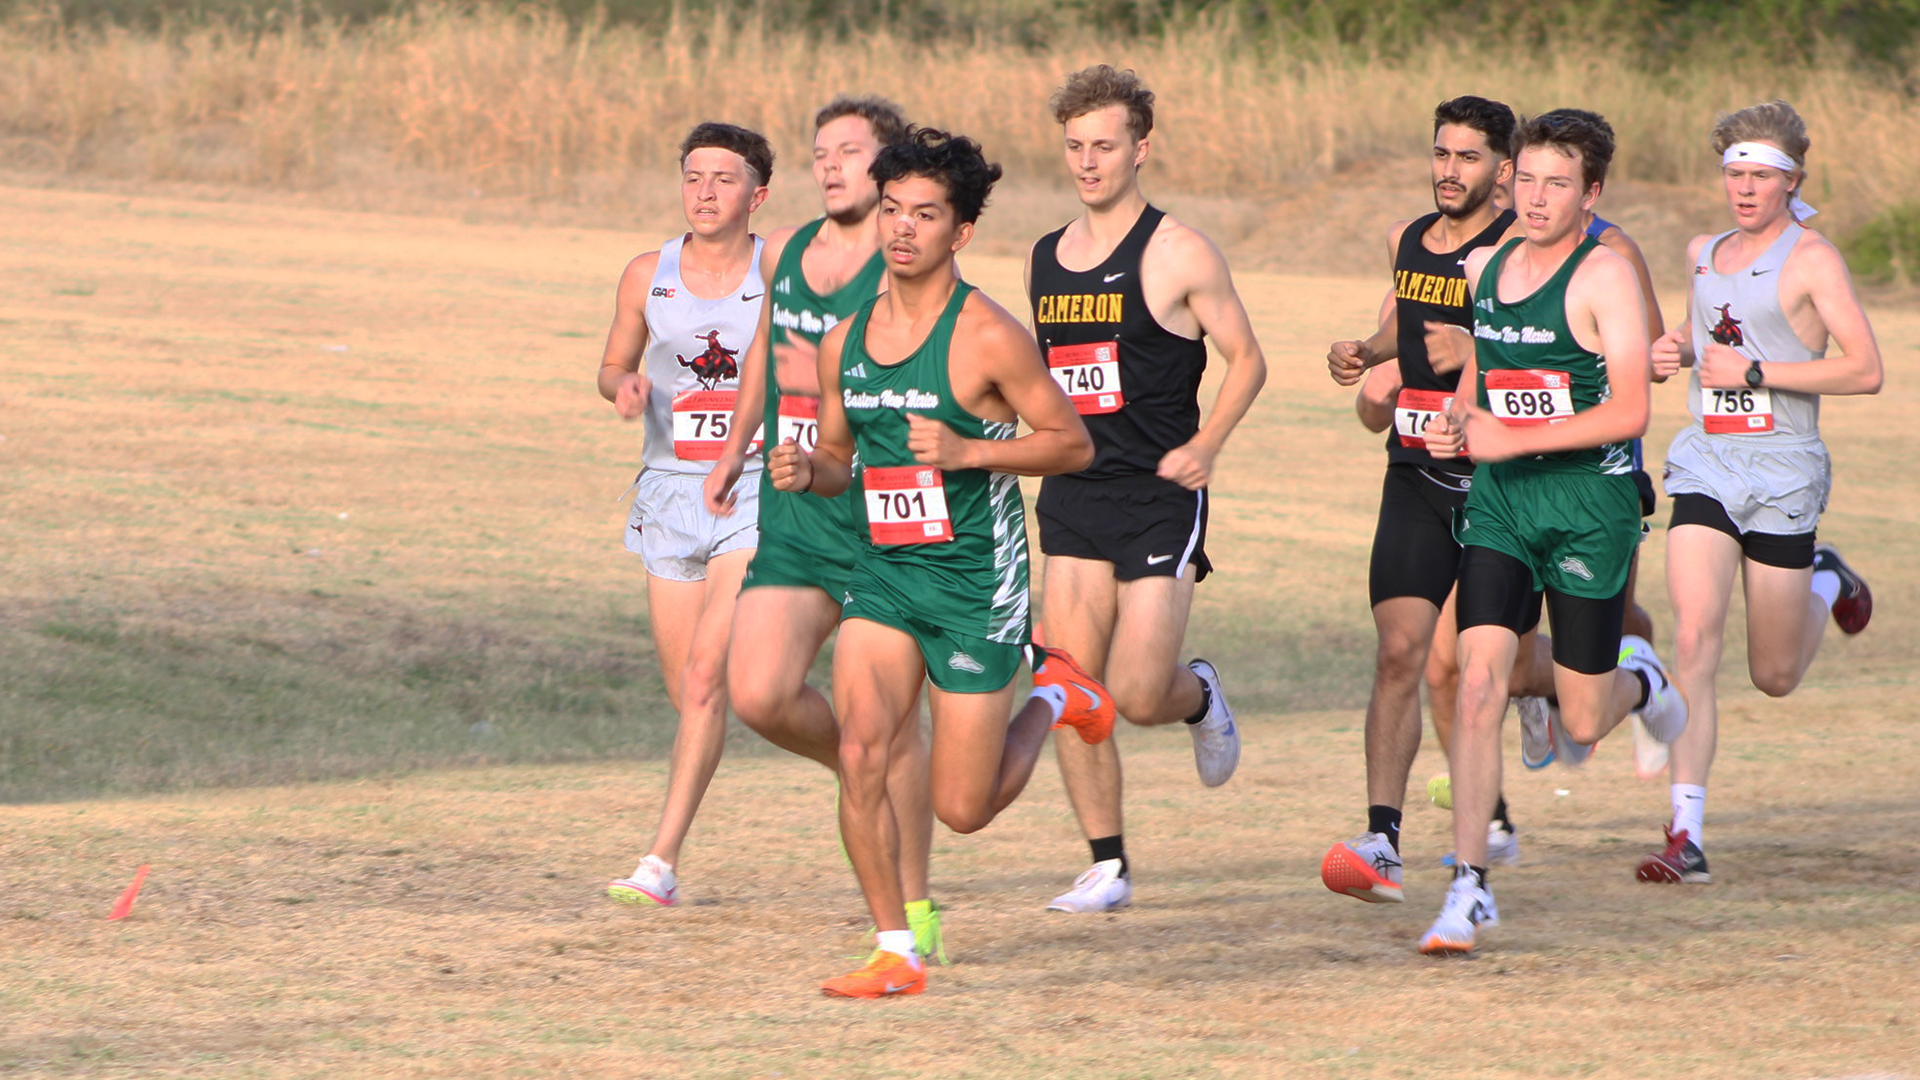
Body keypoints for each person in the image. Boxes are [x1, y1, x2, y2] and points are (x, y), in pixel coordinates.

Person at [770, 127, 1116, 998]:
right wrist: (809, 470)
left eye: (925, 215)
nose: (902, 229)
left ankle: (1054, 694)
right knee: (861, 751)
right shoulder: (843, 340)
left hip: (973, 580)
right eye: (892, 209)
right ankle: (897, 949)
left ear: (959, 232)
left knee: (964, 808)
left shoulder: (989, 335)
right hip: (883, 575)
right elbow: (844, 460)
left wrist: (966, 453)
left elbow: (1071, 446)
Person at [1416, 111, 1687, 954]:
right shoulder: (1486, 267)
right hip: (1502, 505)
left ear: (1591, 194)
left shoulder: (1603, 276)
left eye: (1556, 183)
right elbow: (1489, 379)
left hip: (1589, 506)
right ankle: (1468, 886)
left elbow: (1632, 409)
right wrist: (1458, 421)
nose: (1535, 198)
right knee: (1474, 679)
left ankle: (1640, 682)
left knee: (1578, 721)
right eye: (1525, 179)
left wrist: (1513, 433)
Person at [700, 96, 953, 961]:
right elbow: (765, 349)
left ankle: (915, 911)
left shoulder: (903, 263)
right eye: (821, 152)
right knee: (761, 692)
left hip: (884, 519)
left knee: (886, 725)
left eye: (850, 151)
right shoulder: (796, 250)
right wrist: (736, 447)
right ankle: (860, 762)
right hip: (799, 509)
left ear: (886, 167)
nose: (831, 165)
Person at [1025, 65, 1268, 914]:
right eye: (1075, 147)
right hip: (1075, 492)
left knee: (1133, 691)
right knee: (1069, 684)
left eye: (1105, 145)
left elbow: (1248, 359)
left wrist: (1206, 444)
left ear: (1141, 148)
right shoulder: (1046, 258)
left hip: (1162, 491)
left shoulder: (1179, 252)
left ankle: (1198, 693)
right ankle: (1107, 864)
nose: (1088, 162)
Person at [1639, 100, 1881, 885]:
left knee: (1773, 675)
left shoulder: (1813, 260)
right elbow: (1703, 331)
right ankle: (1686, 834)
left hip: (1783, 472)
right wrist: (1672, 348)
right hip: (1708, 463)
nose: (1745, 188)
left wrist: (1753, 373)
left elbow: (1864, 369)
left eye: (1761, 176)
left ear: (1792, 181)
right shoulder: (1701, 252)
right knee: (1693, 639)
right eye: (1735, 173)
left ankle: (1824, 576)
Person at [1320, 97, 1555, 905]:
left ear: (1502, 169)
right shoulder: (1411, 241)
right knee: (1402, 655)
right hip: (1415, 473)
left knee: (1497, 668)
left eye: (1468, 158)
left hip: (1498, 485)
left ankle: (1578, 677)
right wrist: (1366, 350)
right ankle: (1382, 840)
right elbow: (1412, 322)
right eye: (1440, 154)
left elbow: (1547, 347)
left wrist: (1477, 354)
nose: (1449, 170)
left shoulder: (1519, 248)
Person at [597, 122, 771, 908]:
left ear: (756, 195)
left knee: (705, 681)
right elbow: (612, 364)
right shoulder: (646, 272)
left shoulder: (782, 273)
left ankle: (658, 863)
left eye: (723, 178)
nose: (705, 191)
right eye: (693, 176)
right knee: (691, 694)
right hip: (668, 492)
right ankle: (862, 761)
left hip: (754, 489)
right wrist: (622, 388)